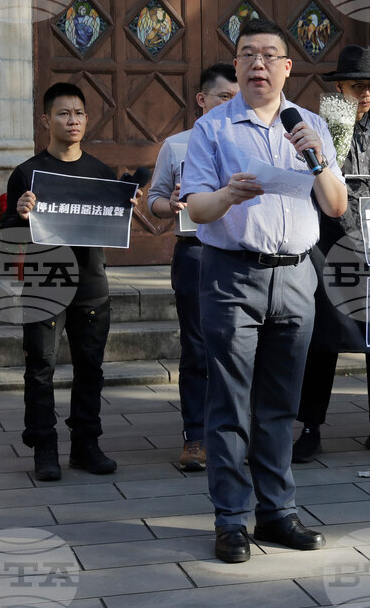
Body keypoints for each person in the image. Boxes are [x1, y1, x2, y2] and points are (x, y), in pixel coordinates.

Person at [180, 18, 347, 564]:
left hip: (297, 275)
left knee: (280, 404)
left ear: (286, 67)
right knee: (229, 402)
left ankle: (278, 513)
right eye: (248, 54)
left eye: (270, 55)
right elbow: (196, 209)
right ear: (236, 66)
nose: (259, 64)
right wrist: (229, 194)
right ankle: (231, 519)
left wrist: (315, 158)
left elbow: (336, 205)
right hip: (232, 274)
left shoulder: (311, 126)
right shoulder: (213, 129)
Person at [2, 82, 142, 482]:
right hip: (44, 284)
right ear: (47, 120)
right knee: (41, 367)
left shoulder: (100, 173)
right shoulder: (28, 174)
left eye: (79, 113)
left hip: (91, 284)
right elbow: (7, 233)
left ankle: (86, 445)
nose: (73, 120)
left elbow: (112, 227)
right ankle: (44, 447)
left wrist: (124, 206)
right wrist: (19, 213)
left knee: (90, 368)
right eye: (64, 113)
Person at [292, 45, 370, 463]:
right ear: (338, 87)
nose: (364, 94)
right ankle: (310, 427)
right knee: (325, 337)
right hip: (330, 244)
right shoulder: (318, 127)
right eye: (356, 86)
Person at [148, 63, 239, 471]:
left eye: (236, 97)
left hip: (242, 253)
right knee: (197, 348)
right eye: (223, 96)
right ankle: (196, 437)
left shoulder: (255, 142)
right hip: (196, 253)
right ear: (202, 99)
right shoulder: (178, 144)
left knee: (241, 348)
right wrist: (173, 205)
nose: (231, 104)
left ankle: (239, 436)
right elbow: (155, 200)